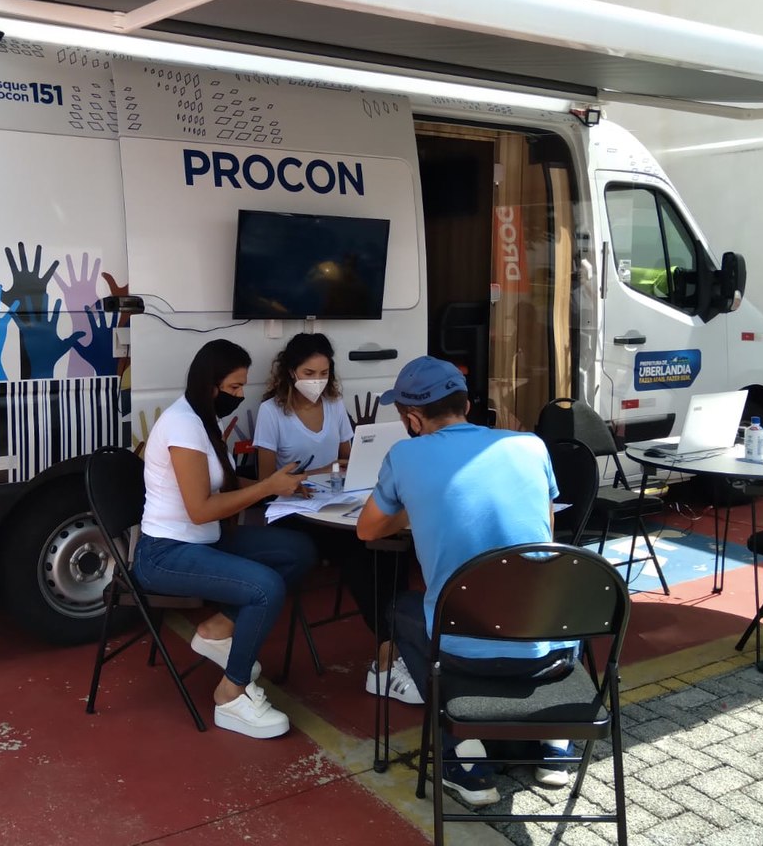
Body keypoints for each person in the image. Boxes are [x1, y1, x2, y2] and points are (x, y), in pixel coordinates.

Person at [356, 356, 576, 805]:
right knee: (523, 598)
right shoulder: (530, 445)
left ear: (412, 419)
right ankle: (553, 740)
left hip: (465, 654)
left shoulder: (405, 456)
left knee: (403, 609)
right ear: (467, 405)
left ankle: (466, 756)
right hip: (549, 648)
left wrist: (419, 501)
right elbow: (544, 536)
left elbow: (367, 530)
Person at [133, 339, 315, 739]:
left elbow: (225, 487)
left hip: (205, 539)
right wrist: (267, 486)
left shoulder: (203, 419)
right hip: (164, 553)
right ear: (210, 384)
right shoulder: (183, 425)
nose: (239, 395)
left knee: (298, 551)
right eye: (234, 387)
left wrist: (281, 488)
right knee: (265, 588)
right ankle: (231, 695)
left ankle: (217, 630)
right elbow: (201, 508)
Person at [254, 332, 419, 704]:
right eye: (309, 373)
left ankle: (398, 641)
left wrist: (348, 465)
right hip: (295, 509)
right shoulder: (272, 412)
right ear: (291, 372)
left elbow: (349, 457)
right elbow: (267, 479)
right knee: (359, 551)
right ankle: (388, 649)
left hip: (335, 500)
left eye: (324, 373)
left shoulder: (333, 403)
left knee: (390, 544)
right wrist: (314, 475)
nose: (317, 380)